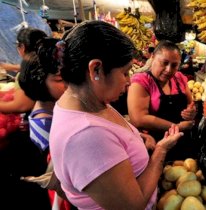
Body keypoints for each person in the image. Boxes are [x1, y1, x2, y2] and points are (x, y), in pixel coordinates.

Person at [49, 21, 182, 210]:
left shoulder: (88, 102)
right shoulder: (86, 136)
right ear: (96, 69)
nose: (128, 82)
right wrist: (161, 152)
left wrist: (134, 139)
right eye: (125, 72)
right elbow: (132, 205)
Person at [17, 38, 74, 210]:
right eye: (59, 80)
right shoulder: (47, 123)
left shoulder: (50, 111)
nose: (67, 84)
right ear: (40, 82)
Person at [127, 40, 198, 161]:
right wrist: (178, 127)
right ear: (153, 57)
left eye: (174, 65)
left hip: (183, 143)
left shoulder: (180, 78)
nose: (168, 69)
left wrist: (191, 113)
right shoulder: (142, 81)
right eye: (164, 63)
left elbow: (190, 105)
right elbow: (138, 119)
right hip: (156, 146)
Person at [0, 27, 47, 113]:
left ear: (22, 47)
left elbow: (21, 106)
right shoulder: (49, 64)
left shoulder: (28, 73)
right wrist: (10, 67)